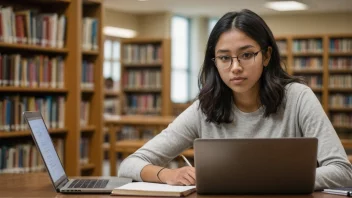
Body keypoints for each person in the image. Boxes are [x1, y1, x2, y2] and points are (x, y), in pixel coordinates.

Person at [118, 9, 352, 190]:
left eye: (247, 55)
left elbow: (342, 171)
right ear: (214, 62)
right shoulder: (205, 107)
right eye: (224, 58)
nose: (236, 67)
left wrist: (253, 178)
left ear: (267, 55)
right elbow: (130, 164)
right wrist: (169, 175)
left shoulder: (298, 98)